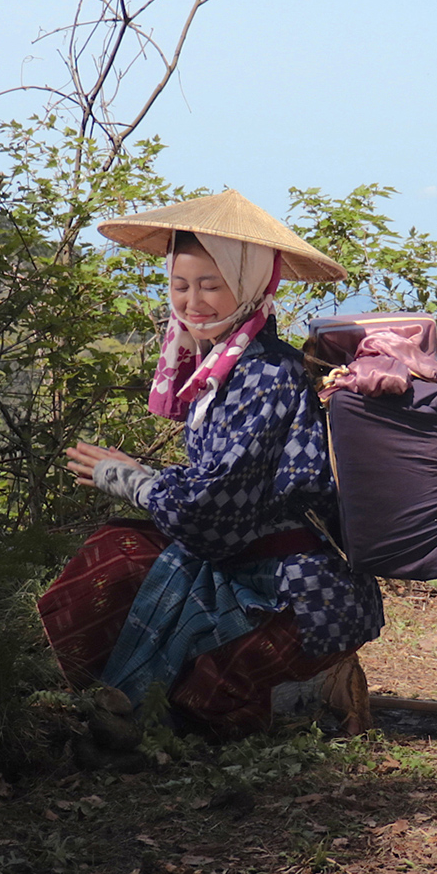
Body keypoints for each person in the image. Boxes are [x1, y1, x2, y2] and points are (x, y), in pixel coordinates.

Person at [53, 189, 381, 739]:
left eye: (211, 284)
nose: (192, 302)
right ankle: (104, 694)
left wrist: (129, 479)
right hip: (239, 563)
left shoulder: (266, 376)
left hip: (296, 588)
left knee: (206, 701)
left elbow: (212, 507)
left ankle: (318, 685)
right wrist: (138, 479)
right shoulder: (221, 367)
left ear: (251, 286)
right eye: (180, 285)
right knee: (113, 554)